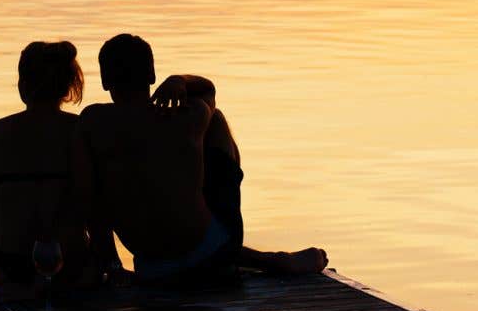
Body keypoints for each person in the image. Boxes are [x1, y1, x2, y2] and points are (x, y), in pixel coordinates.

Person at [75, 33, 327, 286]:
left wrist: (111, 264)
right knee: (215, 120)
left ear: (106, 81)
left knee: (99, 177)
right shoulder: (189, 115)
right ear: (152, 75)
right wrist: (180, 81)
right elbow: (208, 89)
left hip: (151, 267)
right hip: (211, 257)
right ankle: (272, 260)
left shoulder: (92, 122)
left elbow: (88, 198)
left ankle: (112, 264)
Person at [0, 41, 92, 296]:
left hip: (11, 265)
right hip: (69, 265)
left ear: (23, 86)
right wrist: (108, 263)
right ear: (67, 86)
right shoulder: (79, 130)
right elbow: (90, 204)